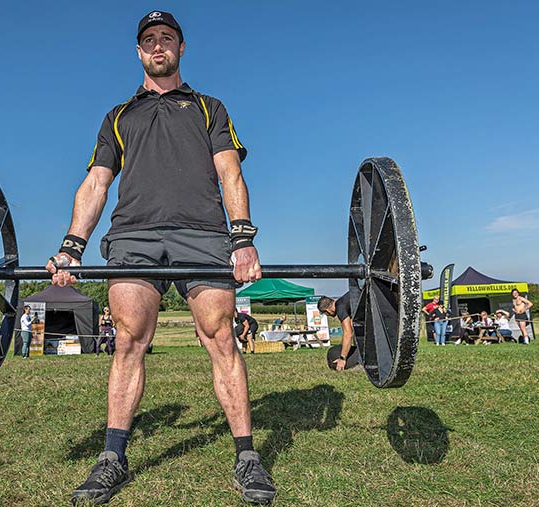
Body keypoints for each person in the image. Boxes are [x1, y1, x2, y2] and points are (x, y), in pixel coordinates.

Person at [45, 11, 273, 505]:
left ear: (181, 48)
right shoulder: (118, 116)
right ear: (139, 52)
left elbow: (230, 173)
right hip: (134, 235)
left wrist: (242, 238)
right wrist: (71, 246)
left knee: (220, 337)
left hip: (202, 233)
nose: (158, 46)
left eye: (167, 38)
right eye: (149, 40)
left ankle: (247, 457)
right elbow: (97, 183)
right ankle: (112, 459)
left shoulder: (209, 107)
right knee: (128, 339)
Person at [318, 295, 355, 371]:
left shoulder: (340, 308)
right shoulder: (345, 302)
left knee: (332, 354)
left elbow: (348, 334)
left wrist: (342, 358)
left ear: (327, 311)